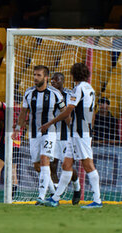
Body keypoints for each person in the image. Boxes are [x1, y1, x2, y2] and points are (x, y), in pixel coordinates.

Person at [41, 63, 102, 208]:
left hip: (80, 132)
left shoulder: (78, 88)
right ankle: (55, 199)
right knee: (66, 164)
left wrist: (49, 123)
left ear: (73, 74)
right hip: (79, 131)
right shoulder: (90, 88)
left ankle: (97, 200)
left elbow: (67, 112)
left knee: (88, 164)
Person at [12, 65, 66, 205]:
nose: (35, 78)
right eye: (34, 75)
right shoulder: (29, 93)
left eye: (39, 75)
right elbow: (24, 112)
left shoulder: (55, 94)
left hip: (50, 132)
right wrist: (18, 129)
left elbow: (65, 112)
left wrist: (71, 129)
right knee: (38, 166)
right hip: (34, 134)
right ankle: (54, 194)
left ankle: (41, 197)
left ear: (46, 77)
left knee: (44, 160)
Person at [50, 72, 81, 205]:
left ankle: (76, 187)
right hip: (52, 134)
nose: (53, 82)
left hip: (67, 135)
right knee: (52, 165)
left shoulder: (70, 95)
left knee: (67, 166)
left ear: (62, 81)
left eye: (56, 80)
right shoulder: (49, 94)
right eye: (52, 80)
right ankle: (56, 195)